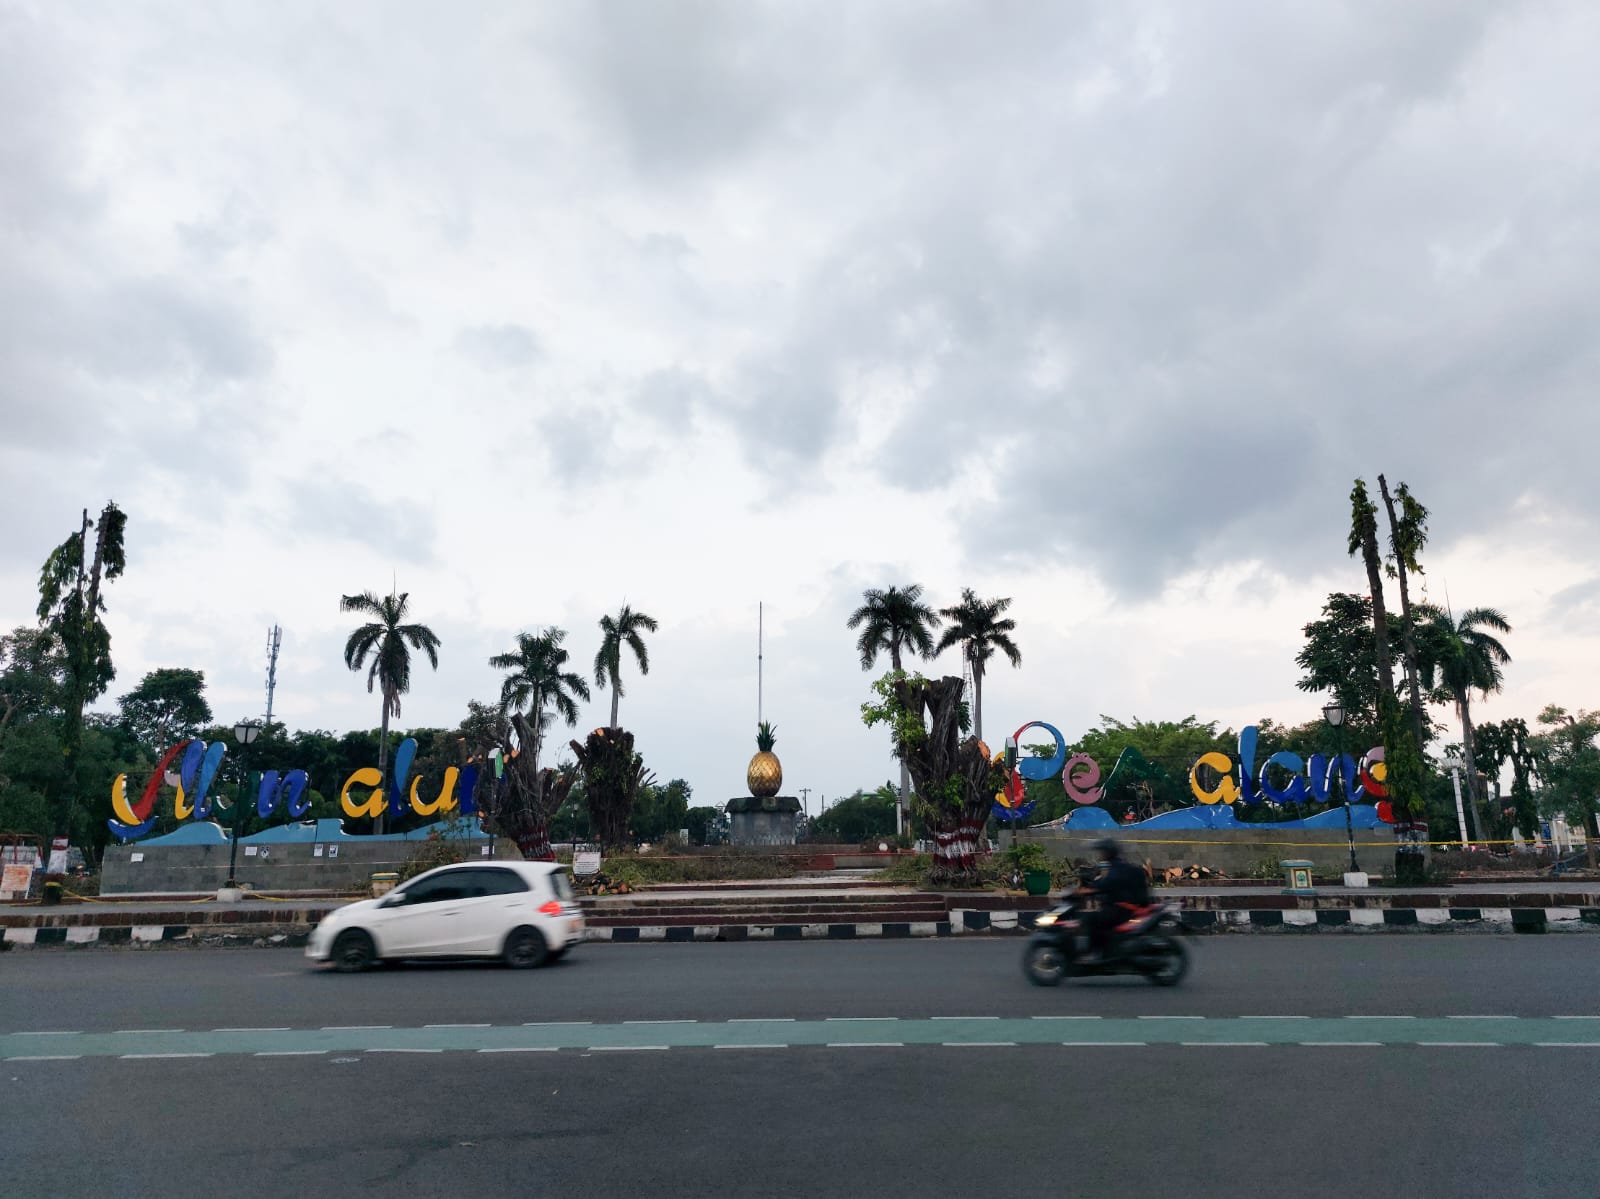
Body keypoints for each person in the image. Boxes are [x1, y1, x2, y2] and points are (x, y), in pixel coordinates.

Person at [1081, 837, 1149, 962]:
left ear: (1108, 852)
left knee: (1093, 919)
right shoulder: (1117, 865)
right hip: (1124, 906)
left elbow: (1107, 883)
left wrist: (1088, 890)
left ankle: (1096, 952)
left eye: (1102, 852)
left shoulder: (1118, 867)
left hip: (1124, 908)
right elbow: (1105, 882)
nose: (1100, 855)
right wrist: (1090, 888)